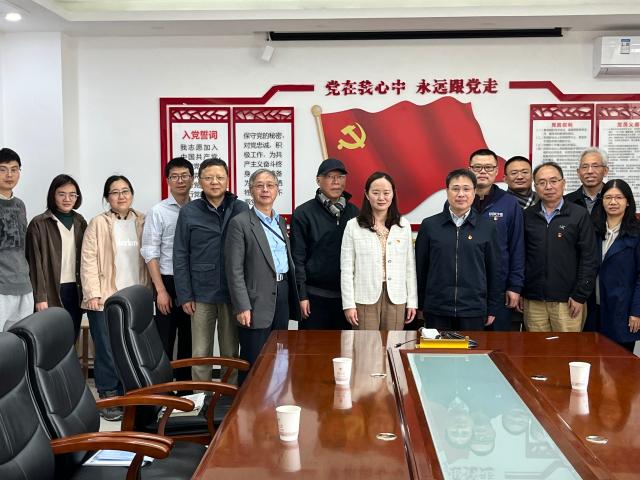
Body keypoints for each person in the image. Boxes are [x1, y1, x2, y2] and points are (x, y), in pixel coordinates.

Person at [81, 175, 150, 421]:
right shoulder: (98, 223)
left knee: (131, 348)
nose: (121, 196)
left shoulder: (142, 220)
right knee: (107, 348)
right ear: (107, 197)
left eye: (125, 191)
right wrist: (92, 293)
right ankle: (108, 395)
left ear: (132, 194)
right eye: (115, 192)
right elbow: (88, 259)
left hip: (135, 297)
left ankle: (128, 394)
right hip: (105, 297)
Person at [173, 158, 248, 383]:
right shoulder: (189, 212)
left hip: (232, 293)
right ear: (200, 181)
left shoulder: (240, 208)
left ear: (228, 180)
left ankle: (229, 395)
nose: (214, 182)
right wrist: (185, 295)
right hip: (200, 293)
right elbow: (180, 254)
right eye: (208, 178)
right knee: (200, 353)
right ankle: (201, 396)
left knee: (230, 351)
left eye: (219, 177)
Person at [225, 168, 301, 384]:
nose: (265, 189)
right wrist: (242, 306)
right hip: (255, 299)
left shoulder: (280, 221)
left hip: (282, 292)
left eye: (270, 185)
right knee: (254, 358)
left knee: (279, 352)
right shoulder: (240, 223)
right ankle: (248, 402)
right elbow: (234, 269)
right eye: (259, 185)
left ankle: (274, 397)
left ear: (277, 190)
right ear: (251, 190)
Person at [415, 169, 501, 331]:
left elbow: (494, 270)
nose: (461, 194)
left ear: (474, 192)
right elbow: (421, 268)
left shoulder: (487, 227)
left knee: (472, 348)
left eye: (466, 189)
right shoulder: (429, 225)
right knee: (437, 348)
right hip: (437, 308)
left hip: (473, 309)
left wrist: (492, 306)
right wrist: (420, 304)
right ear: (447, 191)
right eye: (455, 189)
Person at [521, 162, 598, 332]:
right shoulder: (527, 216)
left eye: (553, 181)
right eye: (542, 182)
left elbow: (589, 258)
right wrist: (521, 291)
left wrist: (580, 295)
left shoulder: (579, 215)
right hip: (534, 301)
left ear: (563, 183)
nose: (548, 187)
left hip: (568, 301)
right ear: (535, 187)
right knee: (536, 348)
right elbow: (520, 256)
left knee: (567, 348)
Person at [340, 171, 416, 330]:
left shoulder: (403, 225)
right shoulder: (353, 226)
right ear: (367, 194)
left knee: (393, 342)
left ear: (393, 194)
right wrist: (348, 304)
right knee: (365, 343)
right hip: (364, 297)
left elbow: (410, 267)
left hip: (396, 297)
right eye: (375, 193)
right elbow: (346, 269)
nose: (381, 198)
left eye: (386, 193)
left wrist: (412, 302)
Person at [141, 157, 194, 382]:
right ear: (168, 181)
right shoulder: (158, 211)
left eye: (184, 176)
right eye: (174, 177)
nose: (180, 181)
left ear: (192, 179)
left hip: (191, 283)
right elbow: (150, 252)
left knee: (190, 339)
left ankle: (186, 388)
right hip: (167, 280)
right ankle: (163, 389)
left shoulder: (198, 209)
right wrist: (161, 290)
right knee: (165, 338)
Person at [290, 158, 358, 330]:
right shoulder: (303, 213)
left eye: (340, 177)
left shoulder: (355, 213)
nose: (336, 182)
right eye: (330, 176)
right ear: (318, 180)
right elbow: (297, 258)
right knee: (311, 346)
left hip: (347, 299)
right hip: (314, 297)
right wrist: (302, 295)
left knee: (346, 346)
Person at [468, 149, 524, 331]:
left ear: (497, 171)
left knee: (498, 342)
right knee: (467, 341)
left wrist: (515, 286)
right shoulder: (457, 201)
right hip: (466, 288)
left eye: (489, 167)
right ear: (469, 170)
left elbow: (517, 247)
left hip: (500, 288)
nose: (483, 172)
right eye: (477, 167)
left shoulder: (510, 203)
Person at [26, 174, 87, 340]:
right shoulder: (39, 223)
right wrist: (40, 297)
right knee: (51, 339)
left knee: (71, 337)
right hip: (51, 290)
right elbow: (34, 264)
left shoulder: (80, 221)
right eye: (61, 194)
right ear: (53, 195)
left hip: (75, 289)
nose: (67, 199)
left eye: (72, 194)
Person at [590, 179, 640, 352]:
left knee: (619, 362)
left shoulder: (636, 233)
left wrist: (636, 311)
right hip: (593, 308)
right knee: (591, 358)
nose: (613, 202)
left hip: (622, 309)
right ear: (602, 201)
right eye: (608, 197)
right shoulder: (593, 230)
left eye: (619, 197)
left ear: (628, 202)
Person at [0, 147, 33, 332]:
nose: (9, 175)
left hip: (23, 286)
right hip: (1, 288)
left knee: (19, 342)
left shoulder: (20, 205)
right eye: (3, 169)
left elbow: (23, 247)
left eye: (14, 169)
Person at [565, 147, 609, 216]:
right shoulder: (566, 201)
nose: (590, 171)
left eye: (595, 166)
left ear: (605, 171)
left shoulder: (615, 200)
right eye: (585, 167)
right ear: (578, 172)